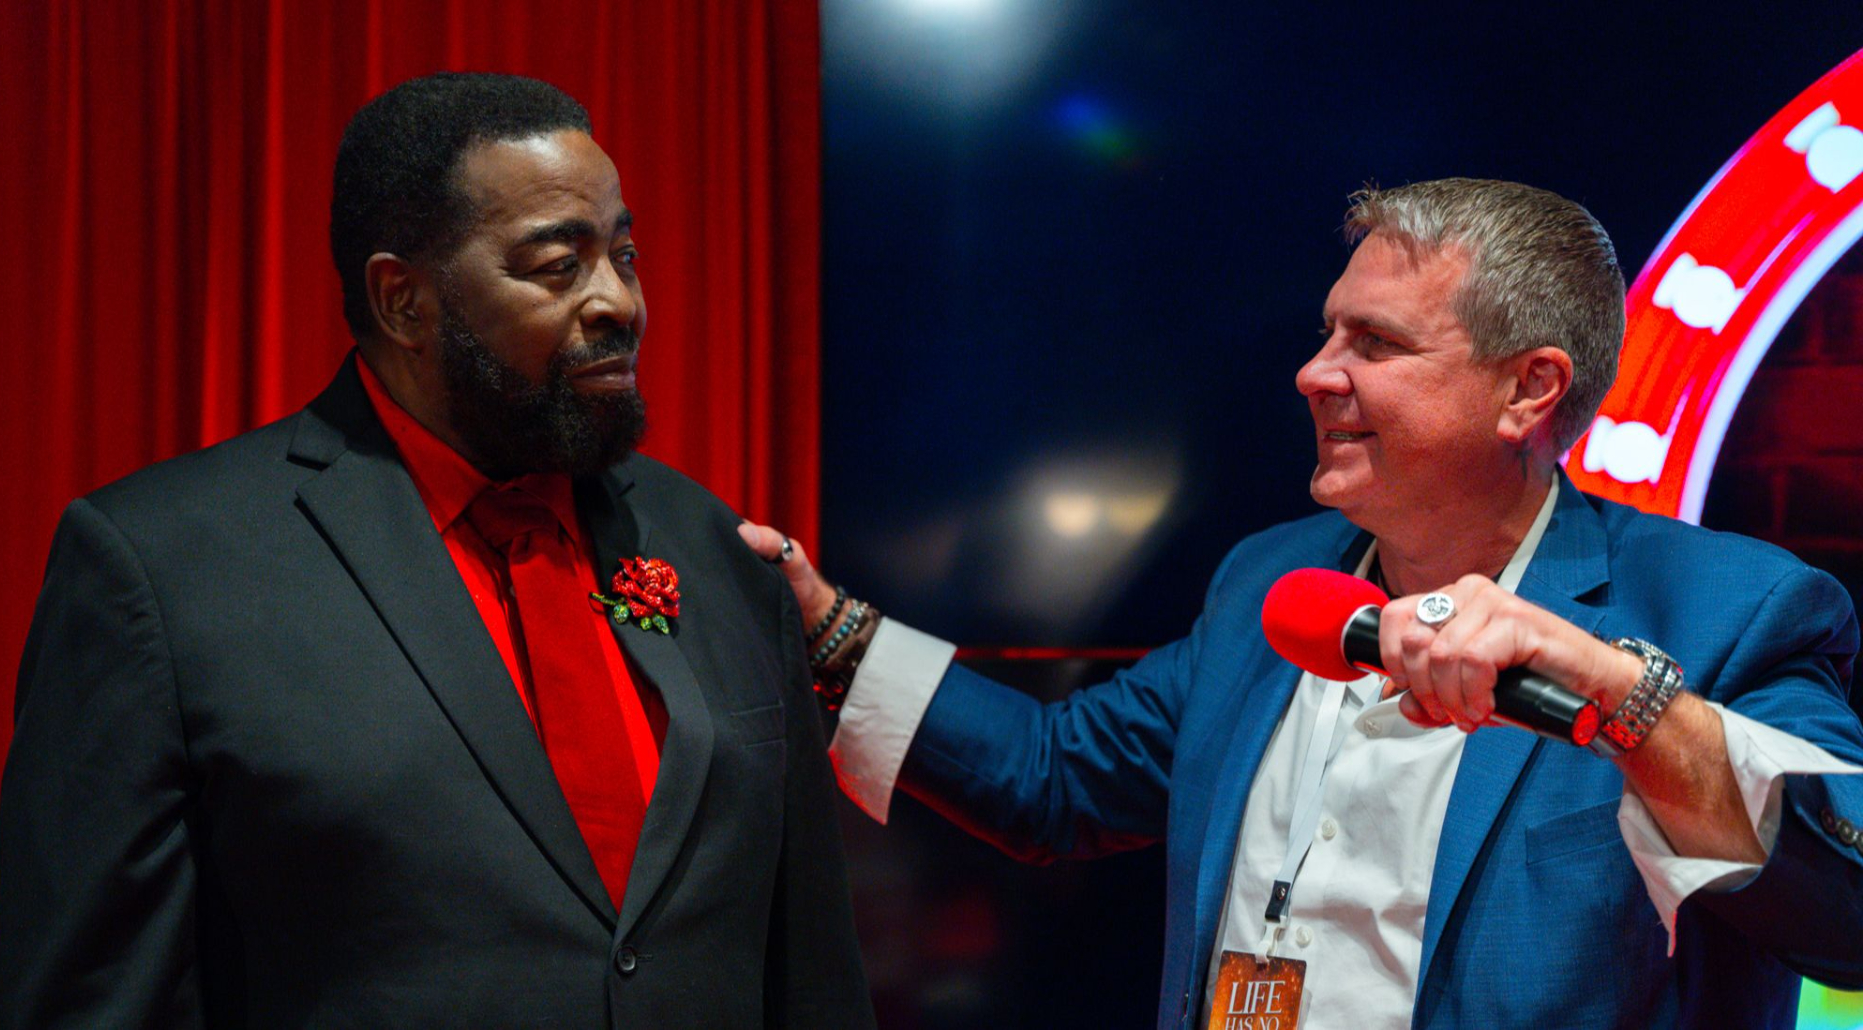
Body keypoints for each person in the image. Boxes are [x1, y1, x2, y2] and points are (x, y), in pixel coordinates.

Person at [742, 178, 1863, 1029]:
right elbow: (1053, 778)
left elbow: (1848, 913)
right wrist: (828, 628)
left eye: (1374, 344)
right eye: (1330, 332)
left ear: (1529, 390)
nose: (1315, 372)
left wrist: (1620, 694)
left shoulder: (1728, 607)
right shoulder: (1270, 583)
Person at [0, 73, 875, 1029]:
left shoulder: (713, 545)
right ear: (403, 301)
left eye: (623, 254)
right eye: (559, 265)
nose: (618, 301)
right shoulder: (162, 568)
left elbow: (814, 977)